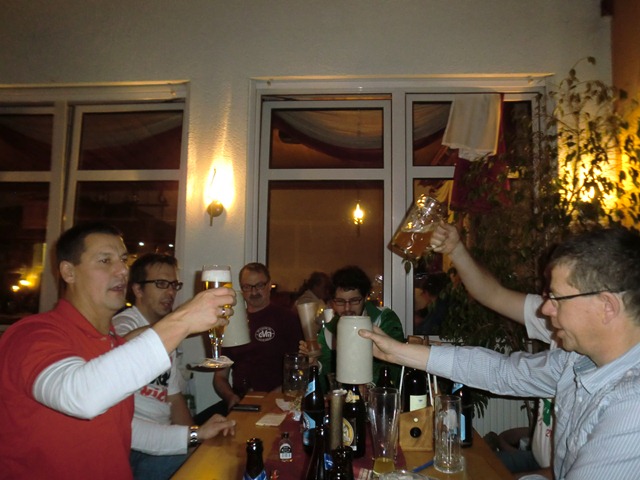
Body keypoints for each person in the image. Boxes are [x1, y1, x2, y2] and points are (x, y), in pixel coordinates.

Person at [361, 227, 640, 480]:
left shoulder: (631, 406)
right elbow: (502, 372)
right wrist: (397, 352)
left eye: (557, 298)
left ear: (607, 307)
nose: (545, 309)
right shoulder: (578, 361)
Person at [0, 222, 236, 479]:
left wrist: (195, 434)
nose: (123, 270)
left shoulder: (113, 343)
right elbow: (80, 396)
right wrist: (183, 320)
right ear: (68, 272)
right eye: (105, 260)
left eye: (123, 260)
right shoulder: (31, 335)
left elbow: (126, 429)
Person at [431, 223, 554, 474]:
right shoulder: (556, 312)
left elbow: (500, 372)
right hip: (538, 460)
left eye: (554, 292)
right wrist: (456, 249)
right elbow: (493, 294)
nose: (546, 303)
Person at [112, 253, 235, 480]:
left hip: (165, 439)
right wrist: (182, 320)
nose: (170, 292)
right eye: (161, 284)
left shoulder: (167, 334)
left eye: (173, 285)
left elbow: (175, 399)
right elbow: (119, 348)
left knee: (222, 451)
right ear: (138, 289)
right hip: (132, 448)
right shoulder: (123, 323)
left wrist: (196, 441)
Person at [195, 262, 303, 422]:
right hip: (241, 402)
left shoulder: (287, 319)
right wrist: (230, 397)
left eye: (259, 285)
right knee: (196, 426)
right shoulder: (230, 321)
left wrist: (269, 398)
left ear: (269, 285)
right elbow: (220, 377)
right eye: (247, 287)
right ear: (241, 289)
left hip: (277, 402)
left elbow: (299, 370)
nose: (253, 292)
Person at [301, 265, 405, 389]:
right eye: (340, 301)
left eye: (354, 300)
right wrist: (314, 364)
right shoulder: (329, 330)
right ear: (332, 302)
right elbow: (325, 383)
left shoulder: (384, 320)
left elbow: (392, 370)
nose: (347, 308)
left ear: (365, 297)